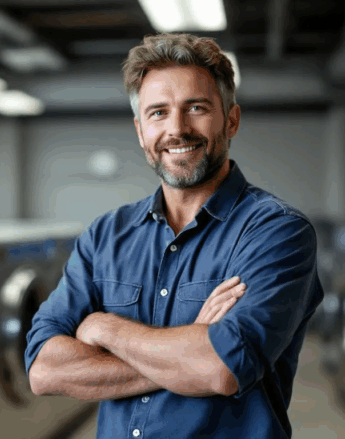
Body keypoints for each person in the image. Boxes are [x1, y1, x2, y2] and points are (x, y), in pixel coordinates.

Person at [25, 33, 324, 438]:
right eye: (158, 113)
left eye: (196, 108)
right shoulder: (105, 236)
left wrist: (106, 329)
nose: (177, 129)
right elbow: (44, 370)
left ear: (231, 120)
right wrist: (188, 352)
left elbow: (220, 368)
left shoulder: (277, 232)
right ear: (140, 130)